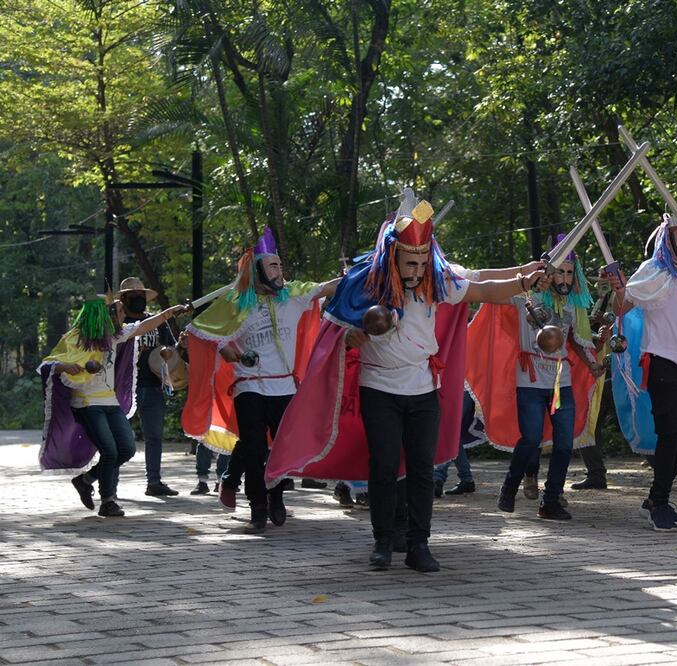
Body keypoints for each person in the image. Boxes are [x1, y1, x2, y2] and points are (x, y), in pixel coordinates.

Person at [264, 191, 548, 572]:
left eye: (422, 261)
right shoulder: (364, 283)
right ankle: (383, 541)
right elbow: (334, 333)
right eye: (410, 262)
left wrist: (524, 282)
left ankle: (419, 544)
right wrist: (352, 337)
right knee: (383, 465)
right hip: (378, 388)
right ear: (393, 254)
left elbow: (482, 288)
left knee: (420, 468)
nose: (416, 269)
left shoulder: (437, 281)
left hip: (424, 389)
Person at [182, 227, 340, 533]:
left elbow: (328, 287)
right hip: (249, 386)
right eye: (272, 265)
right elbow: (201, 331)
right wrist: (229, 351)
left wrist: (365, 269)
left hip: (285, 387)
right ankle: (257, 509)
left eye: (280, 265)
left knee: (280, 450)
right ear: (257, 270)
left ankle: (275, 496)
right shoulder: (238, 303)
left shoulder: (294, 296)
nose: (279, 271)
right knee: (254, 450)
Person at [471, 236, 603, 520]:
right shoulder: (526, 298)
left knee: (564, 444)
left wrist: (592, 365)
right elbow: (490, 294)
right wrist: (520, 279)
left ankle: (551, 501)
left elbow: (574, 340)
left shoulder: (572, 305)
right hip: (529, 381)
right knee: (530, 439)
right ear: (548, 272)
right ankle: (509, 489)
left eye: (569, 272)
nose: (564, 278)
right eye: (560, 271)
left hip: (560, 382)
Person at [608, 213, 677, 531]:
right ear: (668, 240)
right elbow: (620, 308)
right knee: (671, 432)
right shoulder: (652, 270)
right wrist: (619, 289)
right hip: (661, 361)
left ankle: (657, 498)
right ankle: (659, 501)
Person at [40, 296, 187, 516]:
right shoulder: (74, 338)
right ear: (103, 315)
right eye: (119, 310)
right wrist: (65, 366)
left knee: (126, 449)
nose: (123, 313)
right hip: (87, 403)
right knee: (109, 451)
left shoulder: (114, 336)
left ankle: (85, 480)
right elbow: (47, 364)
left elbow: (143, 326)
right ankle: (107, 501)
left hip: (110, 401)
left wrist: (169, 312)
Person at [115, 277, 183, 497]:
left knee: (154, 436)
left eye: (141, 294)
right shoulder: (118, 324)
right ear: (123, 299)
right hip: (122, 388)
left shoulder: (156, 321)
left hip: (152, 385)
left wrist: (179, 347)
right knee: (117, 439)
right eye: (133, 295)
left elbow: (170, 349)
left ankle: (154, 482)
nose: (138, 298)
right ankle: (110, 485)